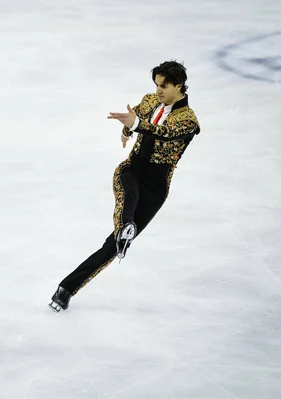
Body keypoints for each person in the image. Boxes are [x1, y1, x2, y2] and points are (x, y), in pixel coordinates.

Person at [49, 60, 200, 312]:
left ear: (179, 85)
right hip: (131, 170)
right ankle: (127, 224)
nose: (158, 90)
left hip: (156, 186)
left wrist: (136, 126)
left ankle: (66, 288)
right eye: (156, 84)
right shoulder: (151, 101)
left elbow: (163, 132)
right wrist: (128, 131)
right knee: (129, 194)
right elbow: (138, 116)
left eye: (164, 86)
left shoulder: (188, 120)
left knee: (114, 245)